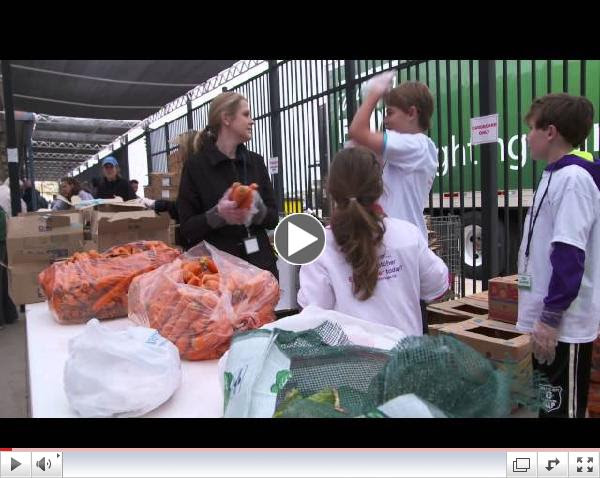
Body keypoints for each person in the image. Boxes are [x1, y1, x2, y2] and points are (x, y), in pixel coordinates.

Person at [297, 147, 448, 336]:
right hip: (406, 360)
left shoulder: (319, 249)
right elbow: (437, 287)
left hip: (352, 363)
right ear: (379, 187)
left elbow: (313, 318)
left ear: (332, 190)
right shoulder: (408, 235)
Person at [516, 93, 599, 418]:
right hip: (549, 320)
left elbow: (569, 253)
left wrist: (551, 318)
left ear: (550, 132)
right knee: (549, 405)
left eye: (531, 128)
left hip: (564, 324)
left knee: (563, 410)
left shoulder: (573, 181)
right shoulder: (554, 175)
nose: (526, 136)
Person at [348, 72, 438, 334]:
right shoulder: (409, 149)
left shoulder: (417, 145)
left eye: (390, 113)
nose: (385, 121)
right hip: (395, 246)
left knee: (405, 325)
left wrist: (374, 94)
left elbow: (358, 131)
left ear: (412, 113)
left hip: (402, 248)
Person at [177, 92, 279, 279]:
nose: (252, 121)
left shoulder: (255, 162)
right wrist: (218, 214)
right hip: (217, 274)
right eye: (246, 114)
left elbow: (273, 219)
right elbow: (187, 229)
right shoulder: (196, 167)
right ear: (226, 118)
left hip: (259, 270)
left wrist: (257, 210)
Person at [0, 178, 26, 329]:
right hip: (7, 236)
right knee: (3, 278)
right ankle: (9, 315)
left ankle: (5, 317)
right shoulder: (11, 194)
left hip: (4, 235)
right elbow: (23, 211)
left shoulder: (3, 192)